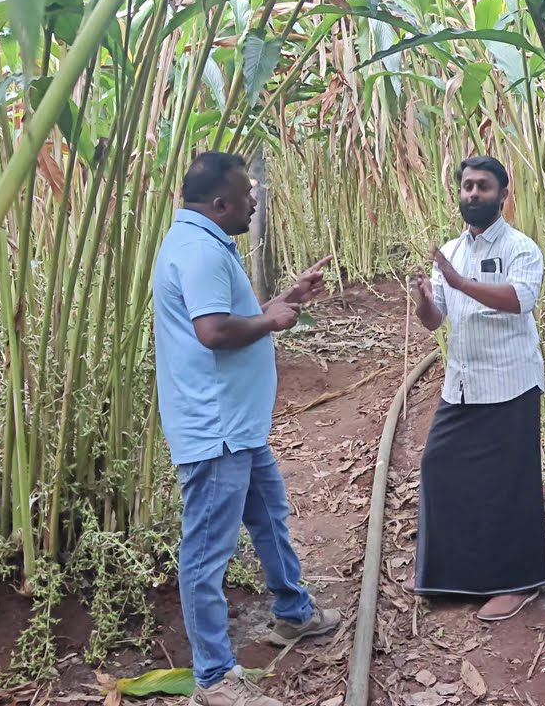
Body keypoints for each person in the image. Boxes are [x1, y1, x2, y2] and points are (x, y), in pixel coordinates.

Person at [153, 151, 341, 706]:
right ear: (220, 204)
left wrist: (282, 302)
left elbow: (227, 316)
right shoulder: (200, 252)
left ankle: (293, 612)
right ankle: (213, 677)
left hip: (239, 426)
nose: (254, 200)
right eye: (246, 194)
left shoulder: (200, 243)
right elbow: (213, 331)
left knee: (270, 518)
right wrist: (271, 321)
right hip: (217, 431)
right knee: (207, 553)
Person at [408, 155, 545, 621]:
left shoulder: (521, 248)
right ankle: (458, 577)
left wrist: (458, 281)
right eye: (467, 186)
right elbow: (436, 322)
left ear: (503, 195)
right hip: (464, 384)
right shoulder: (452, 251)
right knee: (438, 466)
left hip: (510, 382)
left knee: (511, 485)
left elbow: (519, 300)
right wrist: (426, 302)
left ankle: (518, 583)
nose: (472, 193)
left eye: (483, 186)